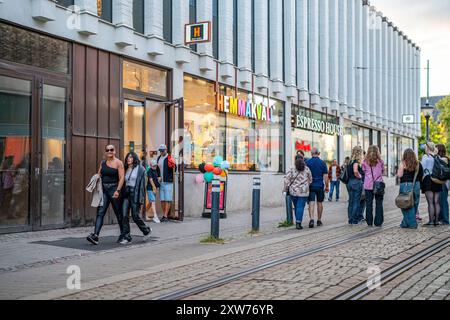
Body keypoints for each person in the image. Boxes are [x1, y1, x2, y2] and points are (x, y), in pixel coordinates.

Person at [87, 145, 125, 245]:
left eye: (111, 149)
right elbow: (99, 174)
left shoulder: (118, 163)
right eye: (107, 150)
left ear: (115, 151)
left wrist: (118, 190)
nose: (109, 151)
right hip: (104, 190)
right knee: (100, 212)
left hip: (114, 189)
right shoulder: (103, 163)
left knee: (118, 213)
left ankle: (123, 234)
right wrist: (95, 179)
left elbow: (122, 178)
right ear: (105, 152)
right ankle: (95, 236)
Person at [119, 152, 152, 245]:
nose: (128, 159)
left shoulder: (141, 169)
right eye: (127, 157)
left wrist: (141, 199)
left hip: (135, 194)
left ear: (134, 158)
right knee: (124, 215)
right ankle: (127, 237)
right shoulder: (125, 169)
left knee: (135, 216)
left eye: (130, 157)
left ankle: (146, 230)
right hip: (126, 194)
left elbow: (143, 186)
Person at [283, 157, 312, 230]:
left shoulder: (292, 169)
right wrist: (306, 185)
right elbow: (310, 179)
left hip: (294, 191)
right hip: (303, 192)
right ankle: (298, 222)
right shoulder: (307, 169)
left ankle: (298, 221)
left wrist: (285, 188)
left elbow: (286, 180)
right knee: (300, 207)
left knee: (296, 206)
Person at [397, 149, 423, 229]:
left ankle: (412, 224)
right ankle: (404, 223)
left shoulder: (403, 163)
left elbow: (400, 175)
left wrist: (399, 169)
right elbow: (421, 175)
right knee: (414, 204)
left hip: (406, 185)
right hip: (416, 185)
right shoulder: (418, 163)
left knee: (405, 203)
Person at [362, 146, 385, 227]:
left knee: (368, 204)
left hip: (368, 185)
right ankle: (378, 222)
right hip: (378, 184)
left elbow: (364, 172)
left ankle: (369, 221)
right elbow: (383, 171)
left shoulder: (365, 162)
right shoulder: (380, 161)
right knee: (379, 203)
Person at [306, 148, 329, 228]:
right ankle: (319, 220)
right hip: (319, 185)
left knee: (311, 202)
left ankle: (311, 219)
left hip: (311, 185)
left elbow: (305, 175)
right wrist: (327, 186)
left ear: (311, 153)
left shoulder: (307, 162)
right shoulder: (322, 163)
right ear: (318, 153)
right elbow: (325, 176)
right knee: (319, 203)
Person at [421, 142, 442, 226]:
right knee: (436, 202)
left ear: (427, 148)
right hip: (437, 180)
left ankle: (431, 221)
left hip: (428, 179)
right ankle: (436, 221)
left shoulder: (425, 156)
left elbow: (422, 168)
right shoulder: (438, 157)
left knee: (430, 203)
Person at [157, 144, 177, 222]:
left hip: (168, 181)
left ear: (166, 150)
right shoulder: (159, 158)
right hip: (161, 181)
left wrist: (173, 164)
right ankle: (164, 214)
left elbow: (175, 169)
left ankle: (165, 215)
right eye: (160, 151)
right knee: (162, 199)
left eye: (162, 151)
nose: (161, 152)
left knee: (168, 199)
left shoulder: (169, 158)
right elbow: (157, 169)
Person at [347, 147, 364, 225]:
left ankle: (350, 219)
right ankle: (354, 219)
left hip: (349, 182)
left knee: (351, 201)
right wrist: (360, 176)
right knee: (356, 201)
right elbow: (355, 171)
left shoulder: (349, 162)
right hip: (356, 182)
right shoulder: (356, 162)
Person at [437, 144, 449, 225]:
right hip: (445, 182)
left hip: (442, 182)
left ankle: (445, 219)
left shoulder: (442, 159)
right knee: (441, 200)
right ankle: (442, 218)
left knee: (442, 201)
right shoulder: (447, 159)